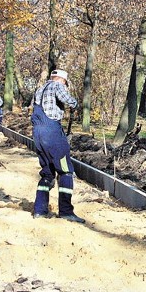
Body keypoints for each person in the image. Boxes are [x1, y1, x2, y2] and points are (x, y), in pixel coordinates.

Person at [30, 69, 85, 223]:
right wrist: (75, 104)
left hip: (38, 135)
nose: (65, 85)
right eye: (65, 83)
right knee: (66, 171)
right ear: (62, 79)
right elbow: (67, 99)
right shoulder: (57, 85)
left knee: (47, 174)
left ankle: (40, 210)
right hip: (52, 133)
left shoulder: (40, 89)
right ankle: (66, 211)